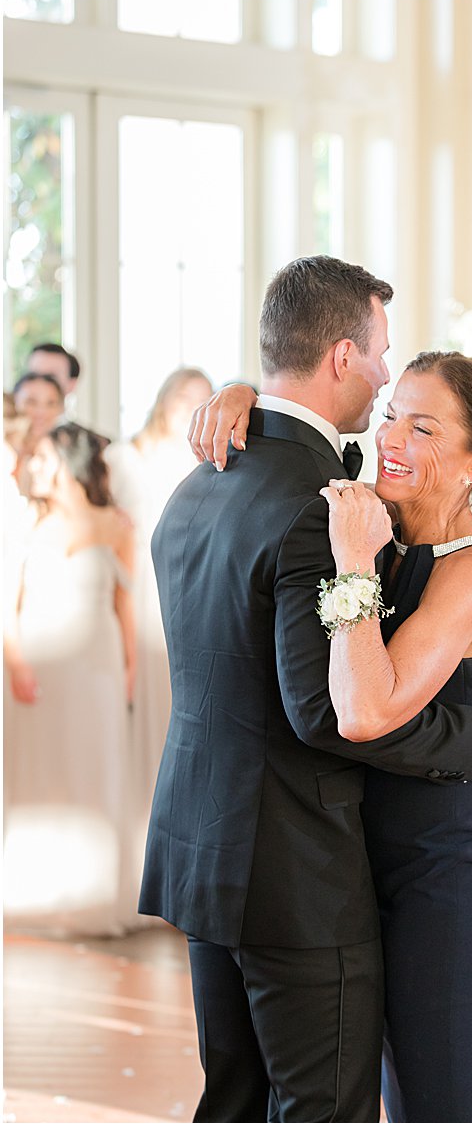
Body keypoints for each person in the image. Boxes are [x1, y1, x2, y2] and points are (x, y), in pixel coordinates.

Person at [143, 255, 472, 1122]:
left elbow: (351, 699)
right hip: (306, 862)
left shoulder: (202, 483)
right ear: (346, 358)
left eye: (424, 427)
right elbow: (334, 710)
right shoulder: (344, 513)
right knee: (317, 1103)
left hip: (397, 861)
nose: (391, 417)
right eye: (392, 399)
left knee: (431, 1100)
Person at [4, 422, 139, 937]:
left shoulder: (116, 526)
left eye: (41, 457)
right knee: (39, 772)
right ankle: (35, 890)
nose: (32, 467)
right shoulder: (27, 525)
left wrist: (129, 671)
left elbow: (124, 607)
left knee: (93, 768)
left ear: (68, 462)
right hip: (36, 668)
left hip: (96, 667)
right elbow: (7, 606)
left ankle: (94, 891)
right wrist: (16, 663)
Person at [105, 368, 215, 879]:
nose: (187, 406)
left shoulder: (205, 465)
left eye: (200, 399)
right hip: (139, 593)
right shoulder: (124, 457)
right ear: (164, 398)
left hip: (186, 595)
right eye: (182, 396)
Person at [11, 371, 65, 492]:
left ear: (61, 409)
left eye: (51, 404)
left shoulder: (68, 460)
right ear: (14, 402)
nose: (41, 412)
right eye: (31, 402)